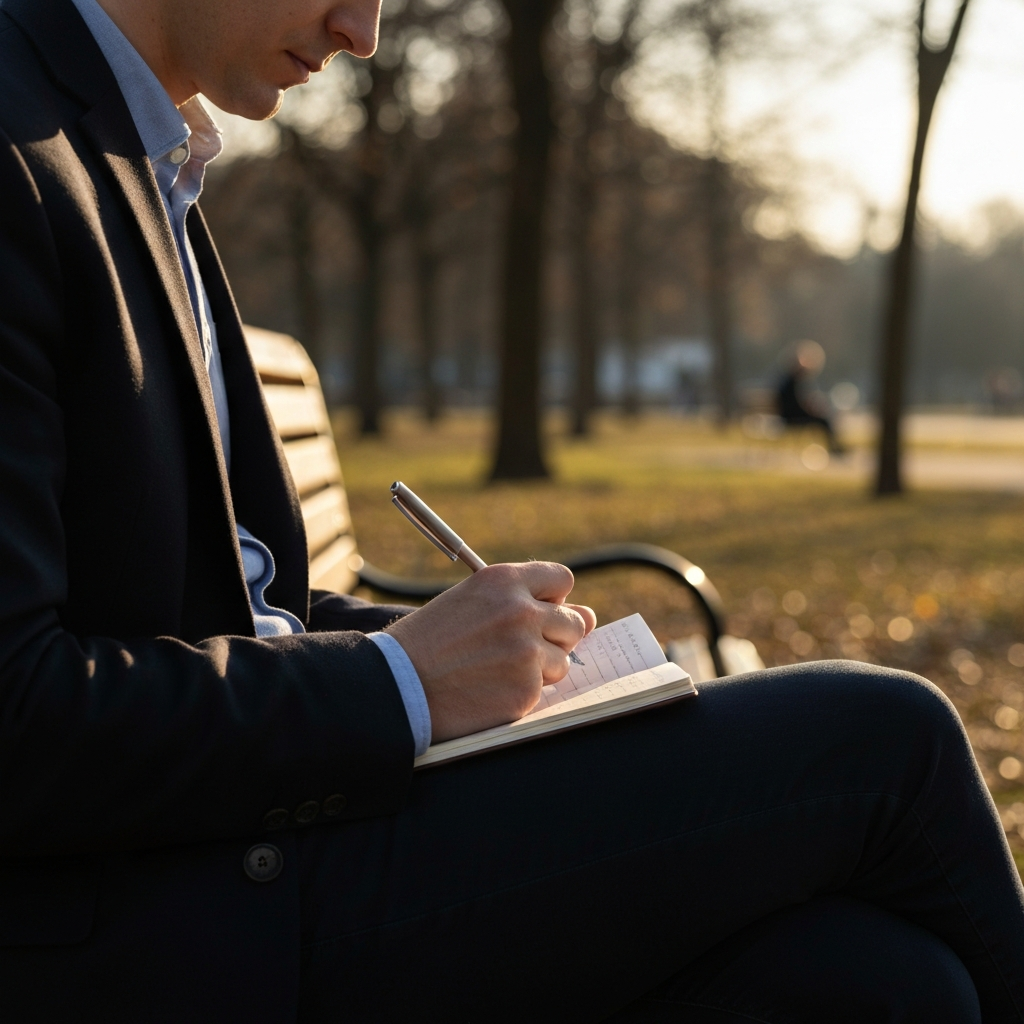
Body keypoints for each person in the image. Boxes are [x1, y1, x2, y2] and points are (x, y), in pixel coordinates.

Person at [0, 0, 1022, 1020]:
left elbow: (225, 606)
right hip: (165, 918)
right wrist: (398, 678)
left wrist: (466, 657)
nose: (365, 32)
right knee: (888, 736)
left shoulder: (140, 151)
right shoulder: (21, 144)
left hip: (257, 843)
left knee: (881, 981)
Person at [776, 340, 846, 454]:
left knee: (824, 420)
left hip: (789, 416)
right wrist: (812, 411)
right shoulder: (792, 382)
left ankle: (835, 448)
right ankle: (835, 449)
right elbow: (796, 406)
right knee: (824, 421)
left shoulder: (788, 381)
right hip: (792, 418)